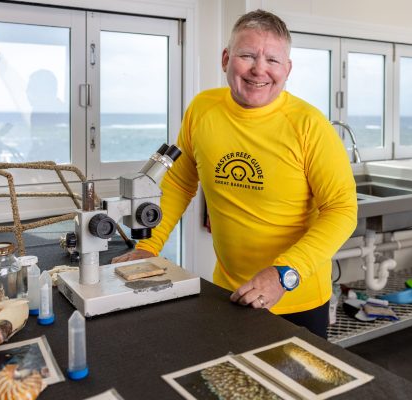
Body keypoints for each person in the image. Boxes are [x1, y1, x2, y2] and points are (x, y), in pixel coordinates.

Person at [112, 9, 357, 338]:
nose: (259, 69)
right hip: (228, 290)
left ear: (288, 69)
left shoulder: (310, 126)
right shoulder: (202, 109)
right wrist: (149, 246)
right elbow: (181, 183)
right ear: (226, 58)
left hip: (296, 297)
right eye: (247, 55)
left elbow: (342, 211)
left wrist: (285, 273)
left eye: (273, 59)